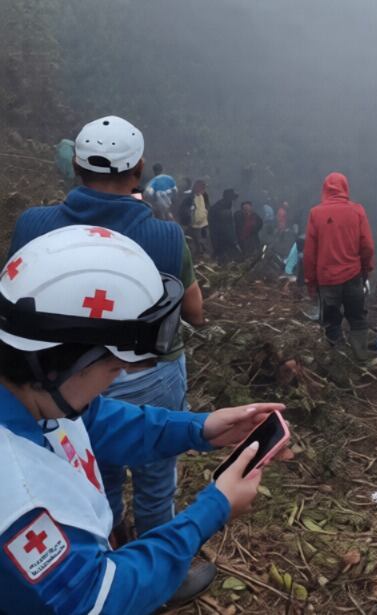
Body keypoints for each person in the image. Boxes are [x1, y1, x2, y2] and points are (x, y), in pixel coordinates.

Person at [0, 225, 289, 614]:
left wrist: (199, 428)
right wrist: (214, 509)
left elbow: (98, 421)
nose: (118, 377)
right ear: (57, 363)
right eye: (112, 367)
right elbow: (99, 599)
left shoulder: (36, 398)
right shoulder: (20, 502)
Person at [6, 115, 211, 598]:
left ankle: (108, 545)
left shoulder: (33, 224)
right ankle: (163, 572)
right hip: (151, 374)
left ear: (75, 166)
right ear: (137, 170)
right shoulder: (164, 237)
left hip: (57, 376)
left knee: (93, 467)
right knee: (156, 476)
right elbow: (195, 313)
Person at [303, 172, 375, 361]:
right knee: (357, 318)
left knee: (331, 321)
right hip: (353, 275)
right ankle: (361, 357)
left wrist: (310, 281)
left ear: (325, 189)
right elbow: (367, 245)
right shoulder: (357, 210)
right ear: (345, 188)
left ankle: (338, 359)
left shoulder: (316, 213)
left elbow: (310, 253)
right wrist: (366, 269)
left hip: (327, 279)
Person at [179, 179, 210, 256]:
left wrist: (206, 211)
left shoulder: (204, 195)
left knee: (202, 240)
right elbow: (183, 209)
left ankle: (201, 254)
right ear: (197, 187)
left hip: (203, 223)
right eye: (202, 188)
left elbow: (207, 205)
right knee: (192, 241)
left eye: (204, 188)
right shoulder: (189, 197)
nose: (203, 190)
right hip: (193, 224)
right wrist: (188, 216)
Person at [210, 188, 240, 263]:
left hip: (219, 237)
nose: (234, 200)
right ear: (229, 198)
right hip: (222, 239)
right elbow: (227, 227)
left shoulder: (221, 206)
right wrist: (234, 240)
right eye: (233, 198)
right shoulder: (223, 210)